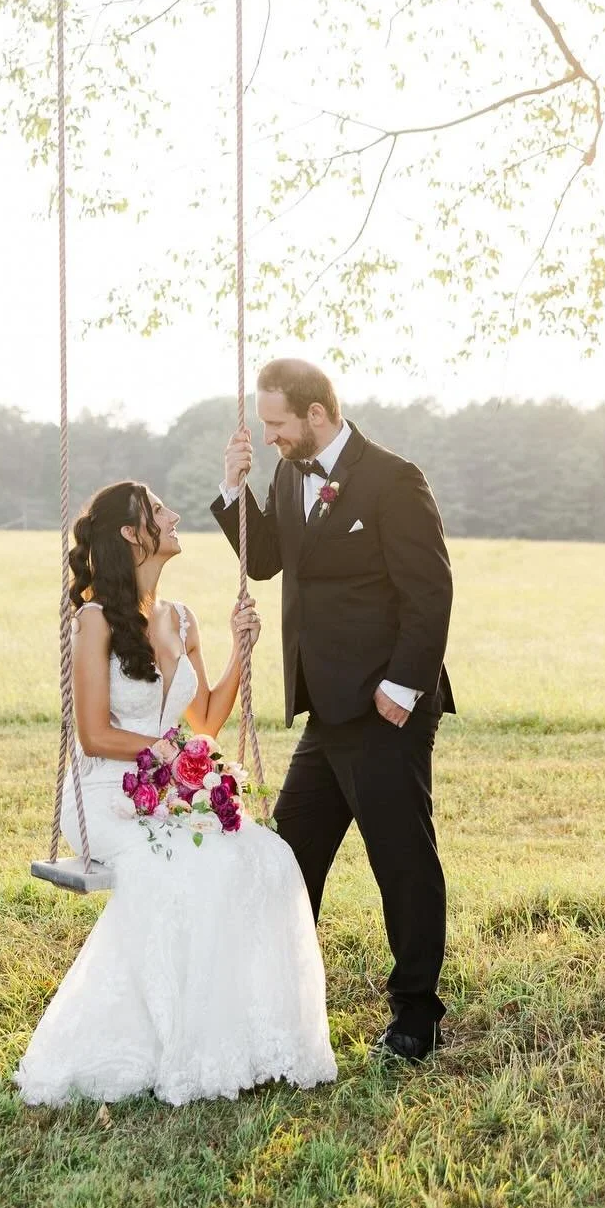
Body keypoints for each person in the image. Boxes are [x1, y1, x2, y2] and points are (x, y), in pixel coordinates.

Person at [15, 479, 336, 1107]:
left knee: (265, 858)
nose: (175, 515)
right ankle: (170, 1044)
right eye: (161, 512)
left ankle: (242, 1037)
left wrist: (241, 651)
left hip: (169, 791)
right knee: (194, 869)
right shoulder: (93, 621)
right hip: (108, 795)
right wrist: (164, 754)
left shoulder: (179, 617)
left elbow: (208, 720)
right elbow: (94, 732)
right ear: (135, 535)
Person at [213, 358, 454, 1061]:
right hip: (326, 709)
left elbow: (430, 592)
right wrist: (234, 491)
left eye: (278, 424)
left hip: (386, 709)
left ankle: (416, 1015)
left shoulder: (394, 479)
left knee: (401, 861)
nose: (271, 436)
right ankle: (276, 1001)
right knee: (290, 856)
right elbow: (268, 564)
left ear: (317, 414)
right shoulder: (290, 473)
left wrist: (404, 687)